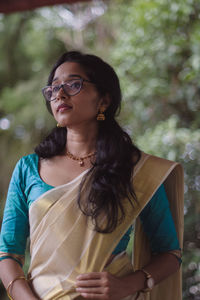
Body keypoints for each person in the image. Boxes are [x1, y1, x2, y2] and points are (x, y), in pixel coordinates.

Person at [0, 51, 184, 300]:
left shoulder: (134, 169)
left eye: (73, 84)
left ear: (104, 101)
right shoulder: (28, 168)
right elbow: (8, 254)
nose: (60, 94)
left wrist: (129, 284)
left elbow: (169, 253)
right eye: (54, 89)